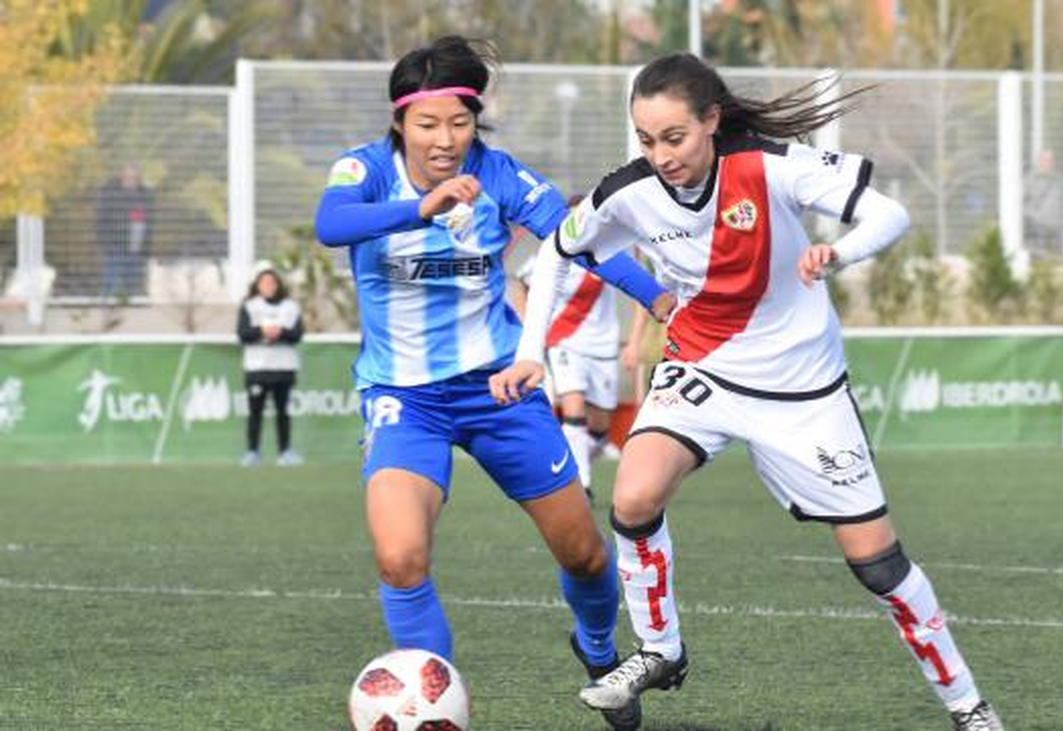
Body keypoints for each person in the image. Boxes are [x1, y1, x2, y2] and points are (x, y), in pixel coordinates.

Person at [492, 53, 1003, 730]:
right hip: (702, 366)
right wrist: (533, 353)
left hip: (803, 389)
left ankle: (968, 704)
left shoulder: (768, 165)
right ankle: (660, 649)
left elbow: (890, 215)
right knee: (634, 494)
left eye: (673, 137)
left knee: (878, 565)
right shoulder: (629, 193)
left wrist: (840, 253)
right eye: (645, 140)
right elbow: (558, 251)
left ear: (710, 120)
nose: (660, 155)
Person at [313, 37, 672, 731]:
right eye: (427, 125)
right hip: (404, 399)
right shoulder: (362, 169)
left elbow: (580, 239)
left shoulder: (500, 174)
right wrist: (418, 209)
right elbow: (331, 224)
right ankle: (430, 712)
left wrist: (654, 297)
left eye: (459, 123)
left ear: (476, 120)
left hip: (499, 390)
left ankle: (597, 649)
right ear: (399, 122)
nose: (444, 140)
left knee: (585, 552)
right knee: (399, 555)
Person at [516, 194, 625, 496]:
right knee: (573, 409)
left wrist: (636, 340)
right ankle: (582, 487)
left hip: (603, 345)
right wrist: (530, 328)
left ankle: (573, 464)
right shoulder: (551, 252)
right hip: (563, 341)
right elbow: (520, 284)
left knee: (600, 429)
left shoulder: (607, 253)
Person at [237, 268, 304, 467]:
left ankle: (285, 452)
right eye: (264, 283)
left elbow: (297, 335)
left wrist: (280, 332)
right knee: (255, 412)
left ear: (278, 285)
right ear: (257, 286)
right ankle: (252, 452)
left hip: (284, 367)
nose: (269, 286)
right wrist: (262, 331)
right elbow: (243, 334)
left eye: (272, 283)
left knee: (283, 412)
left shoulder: (290, 307)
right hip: (257, 368)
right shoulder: (249, 306)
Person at [95, 163, 152, 298]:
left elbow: (149, 224)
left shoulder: (145, 196)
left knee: (134, 290)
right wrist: (106, 243)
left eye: (133, 178)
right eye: (127, 177)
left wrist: (146, 247)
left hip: (136, 250)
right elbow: (101, 221)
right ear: (121, 177)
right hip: (115, 249)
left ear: (138, 179)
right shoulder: (110, 195)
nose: (130, 181)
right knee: (112, 288)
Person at [1024, 148, 1063, 255]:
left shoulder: (1059, 183)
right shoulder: (1029, 181)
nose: (1047, 163)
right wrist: (1035, 217)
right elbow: (1021, 205)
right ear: (1039, 162)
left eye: (1050, 160)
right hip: (1037, 233)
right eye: (1044, 160)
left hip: (1056, 235)